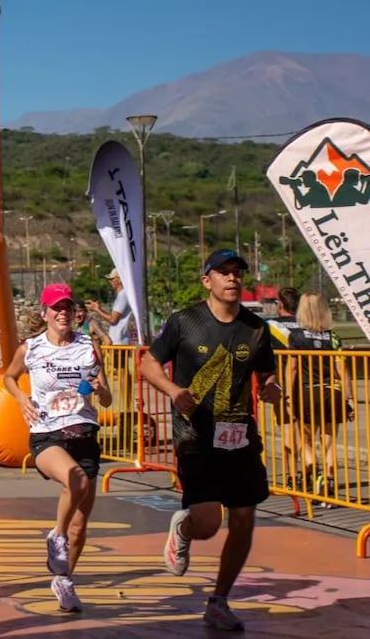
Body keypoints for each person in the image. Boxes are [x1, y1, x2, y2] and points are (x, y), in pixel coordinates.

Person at [140, 248, 281, 632]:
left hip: (240, 435)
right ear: (207, 280)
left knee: (244, 519)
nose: (233, 279)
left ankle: (218, 600)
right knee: (208, 523)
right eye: (224, 273)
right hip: (195, 436)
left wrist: (272, 388)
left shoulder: (256, 327)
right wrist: (172, 390)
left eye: (238, 272)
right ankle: (184, 529)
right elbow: (148, 362)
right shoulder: (185, 321)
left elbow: (268, 373)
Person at [1, 283, 112, 613]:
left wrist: (99, 390)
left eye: (67, 307)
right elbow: (8, 377)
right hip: (47, 433)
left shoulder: (88, 348)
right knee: (74, 479)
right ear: (44, 313)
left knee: (81, 525)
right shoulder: (30, 348)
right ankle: (56, 536)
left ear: (75, 312)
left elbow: (105, 397)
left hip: (84, 433)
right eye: (55, 308)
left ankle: (64, 579)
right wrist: (22, 399)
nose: (62, 313)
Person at [285, 292, 351, 508]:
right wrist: (348, 398)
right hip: (333, 391)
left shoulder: (296, 337)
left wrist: (288, 396)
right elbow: (343, 370)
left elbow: (292, 368)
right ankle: (329, 482)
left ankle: (315, 473)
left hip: (307, 391)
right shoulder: (333, 337)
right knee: (329, 442)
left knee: (305, 440)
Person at [267, 287, 300, 487]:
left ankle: (292, 476)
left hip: (283, 382)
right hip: (305, 382)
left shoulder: (269, 326)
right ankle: (306, 472)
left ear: (280, 304)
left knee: (288, 429)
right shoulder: (307, 324)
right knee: (306, 431)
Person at [84, 268, 134, 345]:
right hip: (119, 340)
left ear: (120, 279)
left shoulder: (123, 296)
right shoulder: (123, 295)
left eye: (112, 279)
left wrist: (97, 309)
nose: (110, 282)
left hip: (119, 341)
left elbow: (113, 319)